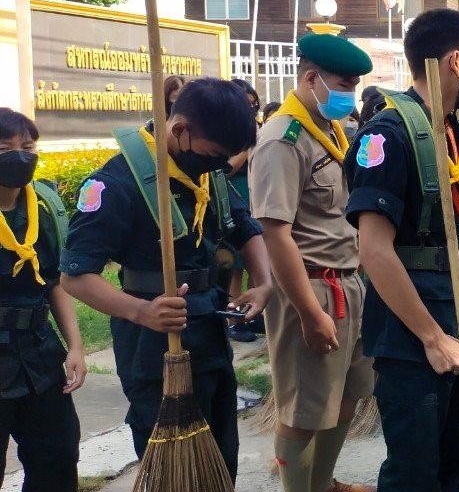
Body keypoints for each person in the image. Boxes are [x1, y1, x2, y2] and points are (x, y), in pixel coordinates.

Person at [61, 78, 272, 478]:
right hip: (151, 344)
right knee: (169, 463)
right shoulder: (115, 184)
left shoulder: (210, 174)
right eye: (213, 154)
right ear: (180, 130)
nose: (219, 163)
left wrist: (263, 283)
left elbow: (246, 229)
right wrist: (143, 312)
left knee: (220, 452)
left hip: (208, 326)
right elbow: (76, 276)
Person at [343, 8, 459, 490]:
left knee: (456, 458)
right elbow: (374, 250)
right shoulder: (388, 135)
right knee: (416, 469)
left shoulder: (449, 130)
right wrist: (433, 337)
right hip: (415, 330)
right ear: (454, 62)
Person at [251, 34, 376, 492]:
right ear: (311, 77)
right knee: (303, 411)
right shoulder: (282, 140)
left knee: (346, 398)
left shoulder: (329, 129)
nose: (351, 93)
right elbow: (275, 233)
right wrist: (309, 312)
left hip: (348, 284)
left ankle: (321, 484)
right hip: (312, 288)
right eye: (345, 83)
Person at [0, 108, 85, 492]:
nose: (19, 156)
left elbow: (54, 282)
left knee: (58, 456)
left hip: (39, 355)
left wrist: (76, 346)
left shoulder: (43, 208)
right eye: (5, 148)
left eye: (27, 146)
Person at [228, 78, 263, 343]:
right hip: (234, 196)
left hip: (253, 197)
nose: (251, 110)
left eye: (254, 105)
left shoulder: (255, 129)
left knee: (256, 261)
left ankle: (252, 312)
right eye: (246, 103)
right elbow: (228, 167)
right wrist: (252, 145)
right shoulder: (229, 130)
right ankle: (233, 317)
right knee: (235, 266)